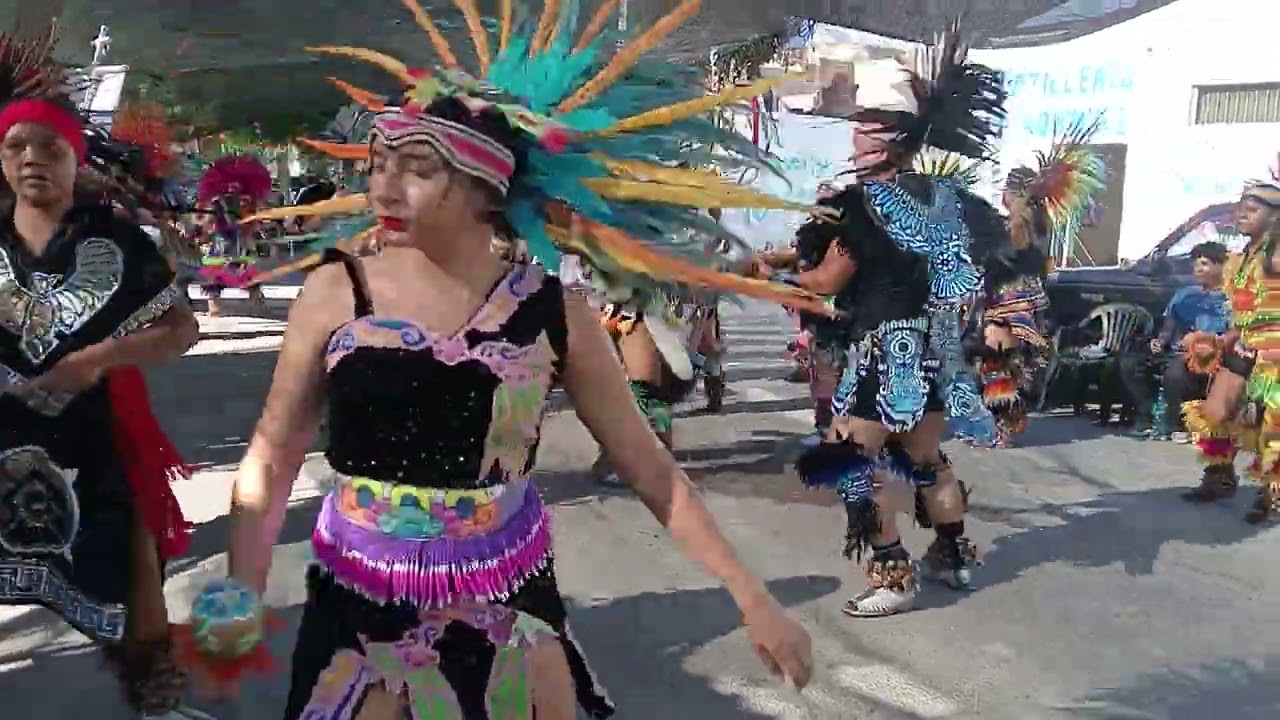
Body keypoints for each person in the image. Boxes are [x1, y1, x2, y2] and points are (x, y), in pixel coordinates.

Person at [187, 2, 816, 716]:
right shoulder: (338, 291)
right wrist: (233, 594)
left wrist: (750, 594)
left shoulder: (553, 309)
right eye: (378, 163)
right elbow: (271, 458)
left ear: (487, 187)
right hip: (361, 599)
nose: (384, 187)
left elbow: (652, 470)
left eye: (417, 168)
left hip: (509, 601)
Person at [0, 29, 203, 719]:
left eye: (48, 147)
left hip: (102, 423)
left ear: (74, 156)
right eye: (14, 147)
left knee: (132, 553)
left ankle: (153, 691)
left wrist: (99, 358)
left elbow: (181, 329)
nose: (31, 160)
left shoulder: (112, 237)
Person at [784, 26, 1007, 617]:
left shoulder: (861, 203)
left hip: (884, 352)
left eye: (866, 124)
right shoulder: (951, 199)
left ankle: (893, 573)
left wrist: (773, 280)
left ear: (890, 137)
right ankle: (953, 556)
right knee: (928, 459)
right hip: (938, 348)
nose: (855, 134)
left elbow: (828, 282)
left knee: (852, 460)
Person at [1183, 181, 1280, 520]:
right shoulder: (1239, 261)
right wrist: (1220, 342)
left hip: (1274, 353)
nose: (1241, 214)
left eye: (1252, 210)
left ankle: (1272, 494)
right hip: (1245, 344)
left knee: (1271, 427)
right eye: (1240, 208)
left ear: (1274, 217)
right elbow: (1244, 314)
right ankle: (1219, 478)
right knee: (1215, 412)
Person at [1144, 241, 1230, 444]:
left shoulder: (1231, 297)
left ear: (1221, 266)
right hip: (1183, 351)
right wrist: (1160, 340)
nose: (1198, 269)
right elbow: (1169, 326)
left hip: (1220, 353)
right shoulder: (1184, 295)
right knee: (1162, 369)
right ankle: (1165, 422)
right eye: (1196, 265)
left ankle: (1198, 424)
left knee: (1186, 371)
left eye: (1205, 264)